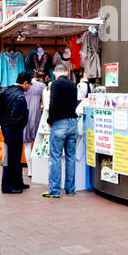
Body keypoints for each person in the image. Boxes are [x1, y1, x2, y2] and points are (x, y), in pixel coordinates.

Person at [42, 69, 79, 199]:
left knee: (55, 157)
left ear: (54, 72)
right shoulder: (73, 85)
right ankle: (70, 189)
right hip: (73, 123)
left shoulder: (56, 84)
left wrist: (50, 120)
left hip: (59, 123)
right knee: (70, 157)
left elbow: (54, 105)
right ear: (67, 73)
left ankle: (54, 190)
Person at [0, 71, 30, 194]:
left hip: (7, 128)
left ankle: (17, 182)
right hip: (14, 130)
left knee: (14, 156)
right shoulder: (19, 97)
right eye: (29, 84)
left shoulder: (8, 90)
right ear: (25, 83)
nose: (29, 87)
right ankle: (8, 185)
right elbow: (15, 118)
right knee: (12, 157)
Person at [23, 71, 46, 147]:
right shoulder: (42, 86)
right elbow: (43, 101)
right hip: (36, 111)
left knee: (27, 142)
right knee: (37, 138)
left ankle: (28, 159)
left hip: (25, 112)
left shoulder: (24, 85)